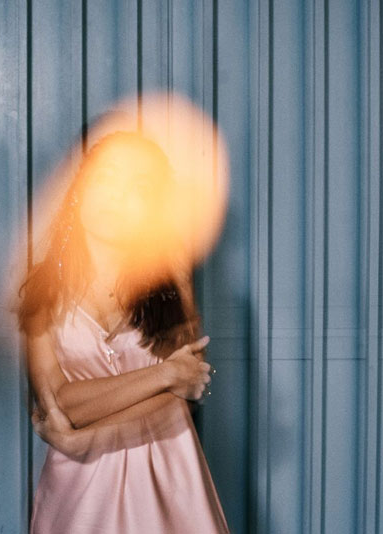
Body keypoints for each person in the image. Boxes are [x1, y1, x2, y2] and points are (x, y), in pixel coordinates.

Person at [14, 130, 231, 533]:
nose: (116, 195)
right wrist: (164, 375)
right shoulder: (41, 289)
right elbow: (58, 404)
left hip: (167, 479)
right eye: (106, 177)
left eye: (138, 186)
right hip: (79, 492)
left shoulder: (171, 275)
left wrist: (85, 438)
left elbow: (187, 392)